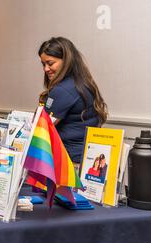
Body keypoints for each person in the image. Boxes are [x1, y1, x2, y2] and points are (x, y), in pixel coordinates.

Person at [38, 37, 108, 165]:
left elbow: (41, 129)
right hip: (86, 157)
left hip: (70, 162)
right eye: (43, 64)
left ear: (66, 61)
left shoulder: (63, 90)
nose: (46, 69)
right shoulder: (82, 83)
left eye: (50, 63)